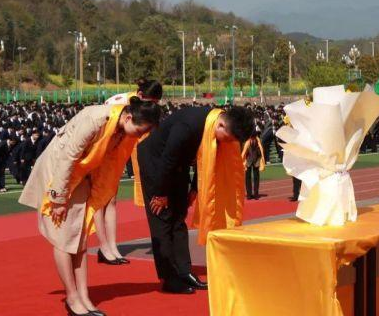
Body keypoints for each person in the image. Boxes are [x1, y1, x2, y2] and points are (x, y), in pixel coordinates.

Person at [18, 99, 160, 316]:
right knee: (63, 238)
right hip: (57, 177)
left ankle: (84, 296)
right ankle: (72, 298)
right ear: (129, 118)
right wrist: (58, 198)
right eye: (140, 131)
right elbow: (68, 157)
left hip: (81, 176)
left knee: (80, 237)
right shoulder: (96, 119)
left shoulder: (120, 128)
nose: (139, 136)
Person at [137, 105, 253, 294]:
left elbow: (207, 159)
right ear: (221, 125)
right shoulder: (188, 126)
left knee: (179, 216)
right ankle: (168, 278)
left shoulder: (213, 125)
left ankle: (184, 271)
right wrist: (160, 194)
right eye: (228, 139)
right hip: (156, 163)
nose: (226, 143)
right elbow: (168, 159)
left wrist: (194, 189)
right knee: (162, 219)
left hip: (178, 164)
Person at [94, 78, 163, 265]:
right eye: (151, 102)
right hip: (103, 150)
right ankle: (103, 246)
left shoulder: (143, 106)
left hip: (119, 153)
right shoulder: (118, 103)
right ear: (140, 95)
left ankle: (112, 246)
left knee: (111, 199)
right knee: (99, 200)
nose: (152, 107)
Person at [242, 132, 265, 200]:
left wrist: (261, 159)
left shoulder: (258, 142)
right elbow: (243, 152)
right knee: (248, 178)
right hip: (248, 161)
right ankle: (249, 194)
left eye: (254, 138)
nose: (253, 139)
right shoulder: (247, 142)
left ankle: (256, 194)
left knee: (256, 178)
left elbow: (261, 151)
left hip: (256, 161)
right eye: (252, 138)